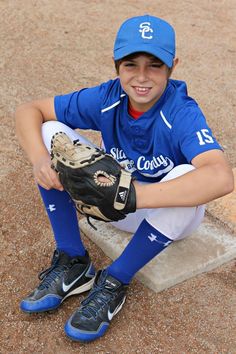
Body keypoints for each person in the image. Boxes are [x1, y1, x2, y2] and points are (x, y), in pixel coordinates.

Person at [15, 14, 234, 342]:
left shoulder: (181, 111)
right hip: (113, 205)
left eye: (155, 65)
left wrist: (133, 195)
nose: (141, 77)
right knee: (50, 133)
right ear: (116, 65)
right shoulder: (108, 97)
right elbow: (28, 111)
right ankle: (73, 260)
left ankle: (115, 279)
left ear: (173, 66)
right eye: (131, 65)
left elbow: (221, 177)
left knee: (190, 176)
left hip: (165, 218)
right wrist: (39, 162)